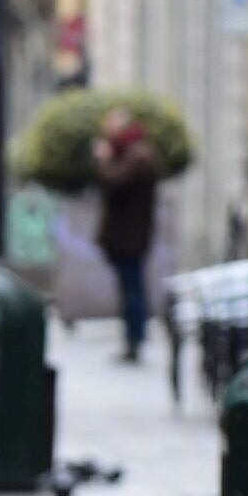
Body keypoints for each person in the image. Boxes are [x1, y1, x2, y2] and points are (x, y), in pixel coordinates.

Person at [92, 108, 160, 363]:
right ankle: (133, 337)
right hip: (127, 236)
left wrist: (103, 159)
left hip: (130, 237)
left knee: (132, 288)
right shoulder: (132, 153)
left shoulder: (136, 156)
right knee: (130, 286)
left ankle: (135, 338)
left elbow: (115, 182)